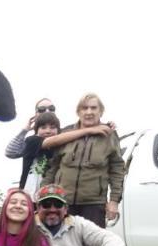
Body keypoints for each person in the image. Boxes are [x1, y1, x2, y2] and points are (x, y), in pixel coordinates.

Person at [39, 92, 124, 227]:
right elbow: (53, 167)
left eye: (93, 108)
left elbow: (117, 170)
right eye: (84, 108)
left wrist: (114, 201)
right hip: (61, 202)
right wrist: (41, 193)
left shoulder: (110, 135)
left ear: (101, 111)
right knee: (60, 244)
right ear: (78, 112)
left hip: (94, 204)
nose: (89, 112)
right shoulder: (65, 133)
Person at [4, 97, 57, 192]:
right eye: (42, 109)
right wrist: (25, 130)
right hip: (29, 192)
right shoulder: (31, 140)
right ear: (36, 114)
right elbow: (10, 152)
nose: (47, 111)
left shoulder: (63, 135)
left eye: (51, 108)